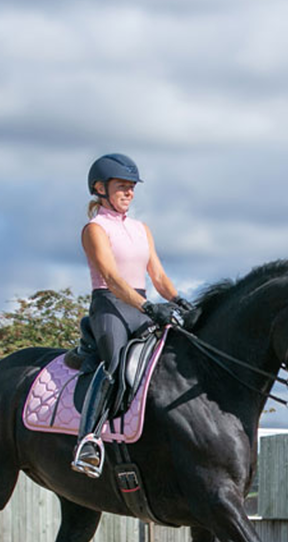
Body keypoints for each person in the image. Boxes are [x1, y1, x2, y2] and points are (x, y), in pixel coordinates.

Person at [71, 153, 194, 478]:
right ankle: (89, 440)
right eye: (122, 187)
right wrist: (148, 307)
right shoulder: (95, 229)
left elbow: (159, 277)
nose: (129, 193)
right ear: (100, 188)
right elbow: (111, 278)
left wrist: (180, 301)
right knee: (114, 365)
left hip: (142, 305)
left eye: (132, 188)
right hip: (110, 307)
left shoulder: (142, 229)